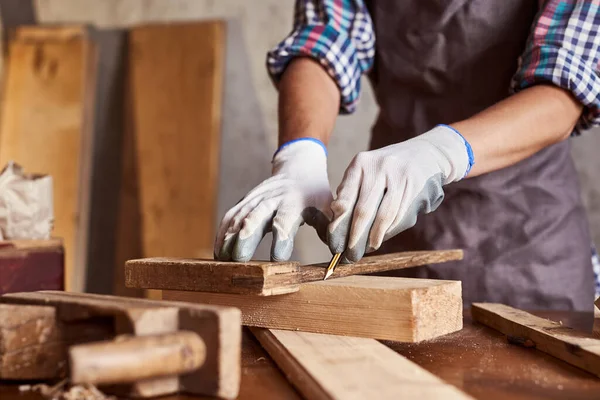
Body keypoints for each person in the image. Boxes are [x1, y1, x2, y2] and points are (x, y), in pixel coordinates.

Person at [214, 0, 600, 311]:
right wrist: (300, 156)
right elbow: (325, 38)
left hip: (531, 247)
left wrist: (438, 153)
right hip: (397, 231)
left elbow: (564, 89)